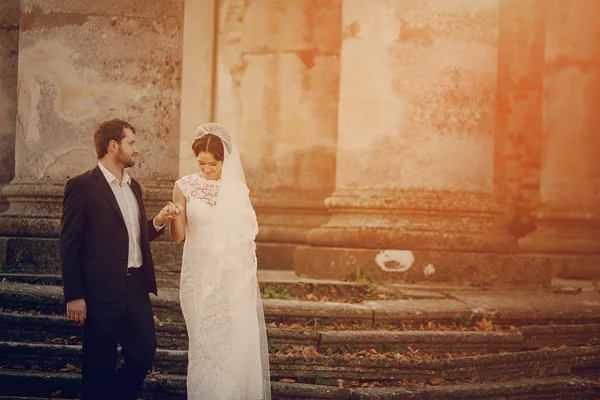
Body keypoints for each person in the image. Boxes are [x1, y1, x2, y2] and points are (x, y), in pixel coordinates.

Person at [59, 118, 181, 400]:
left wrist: (159, 221)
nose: (136, 150)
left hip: (135, 288)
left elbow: (134, 236)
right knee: (98, 368)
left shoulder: (133, 186)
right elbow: (69, 243)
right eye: (131, 143)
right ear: (113, 146)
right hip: (100, 292)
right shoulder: (81, 187)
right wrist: (74, 295)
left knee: (142, 354)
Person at [168, 123, 271, 400]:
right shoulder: (184, 186)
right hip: (197, 276)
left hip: (229, 279)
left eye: (213, 164)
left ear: (224, 160)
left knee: (229, 346)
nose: (207, 169)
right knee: (202, 344)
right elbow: (178, 237)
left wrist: (237, 279)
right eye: (202, 163)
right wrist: (173, 215)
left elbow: (245, 238)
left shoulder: (237, 191)